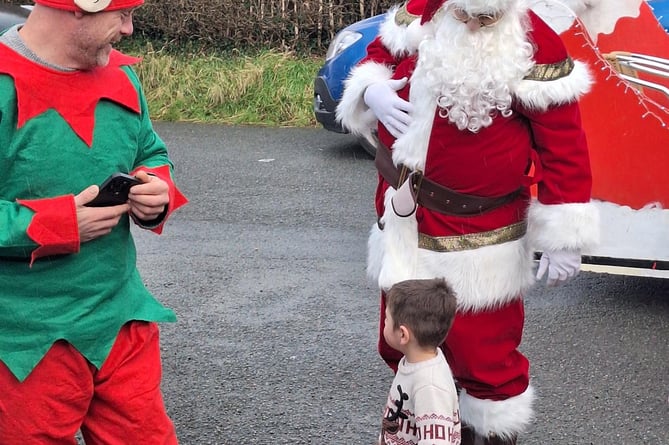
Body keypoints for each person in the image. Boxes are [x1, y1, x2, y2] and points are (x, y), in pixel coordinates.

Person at [336, 0, 600, 443]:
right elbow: (374, 61)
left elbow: (564, 144)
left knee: (485, 361)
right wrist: (371, 91)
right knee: (400, 341)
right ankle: (428, 427)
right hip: (407, 225)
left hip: (483, 237)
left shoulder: (535, 44)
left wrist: (565, 236)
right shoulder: (421, 15)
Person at [0, 1, 188, 444]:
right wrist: (60, 224)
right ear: (76, 10)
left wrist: (156, 190)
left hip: (122, 322)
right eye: (121, 15)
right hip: (27, 342)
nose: (129, 29)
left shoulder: (121, 75)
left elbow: (151, 153)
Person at [378, 278, 461, 445]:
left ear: (403, 334)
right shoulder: (415, 361)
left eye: (387, 319)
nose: (384, 323)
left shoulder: (430, 386)